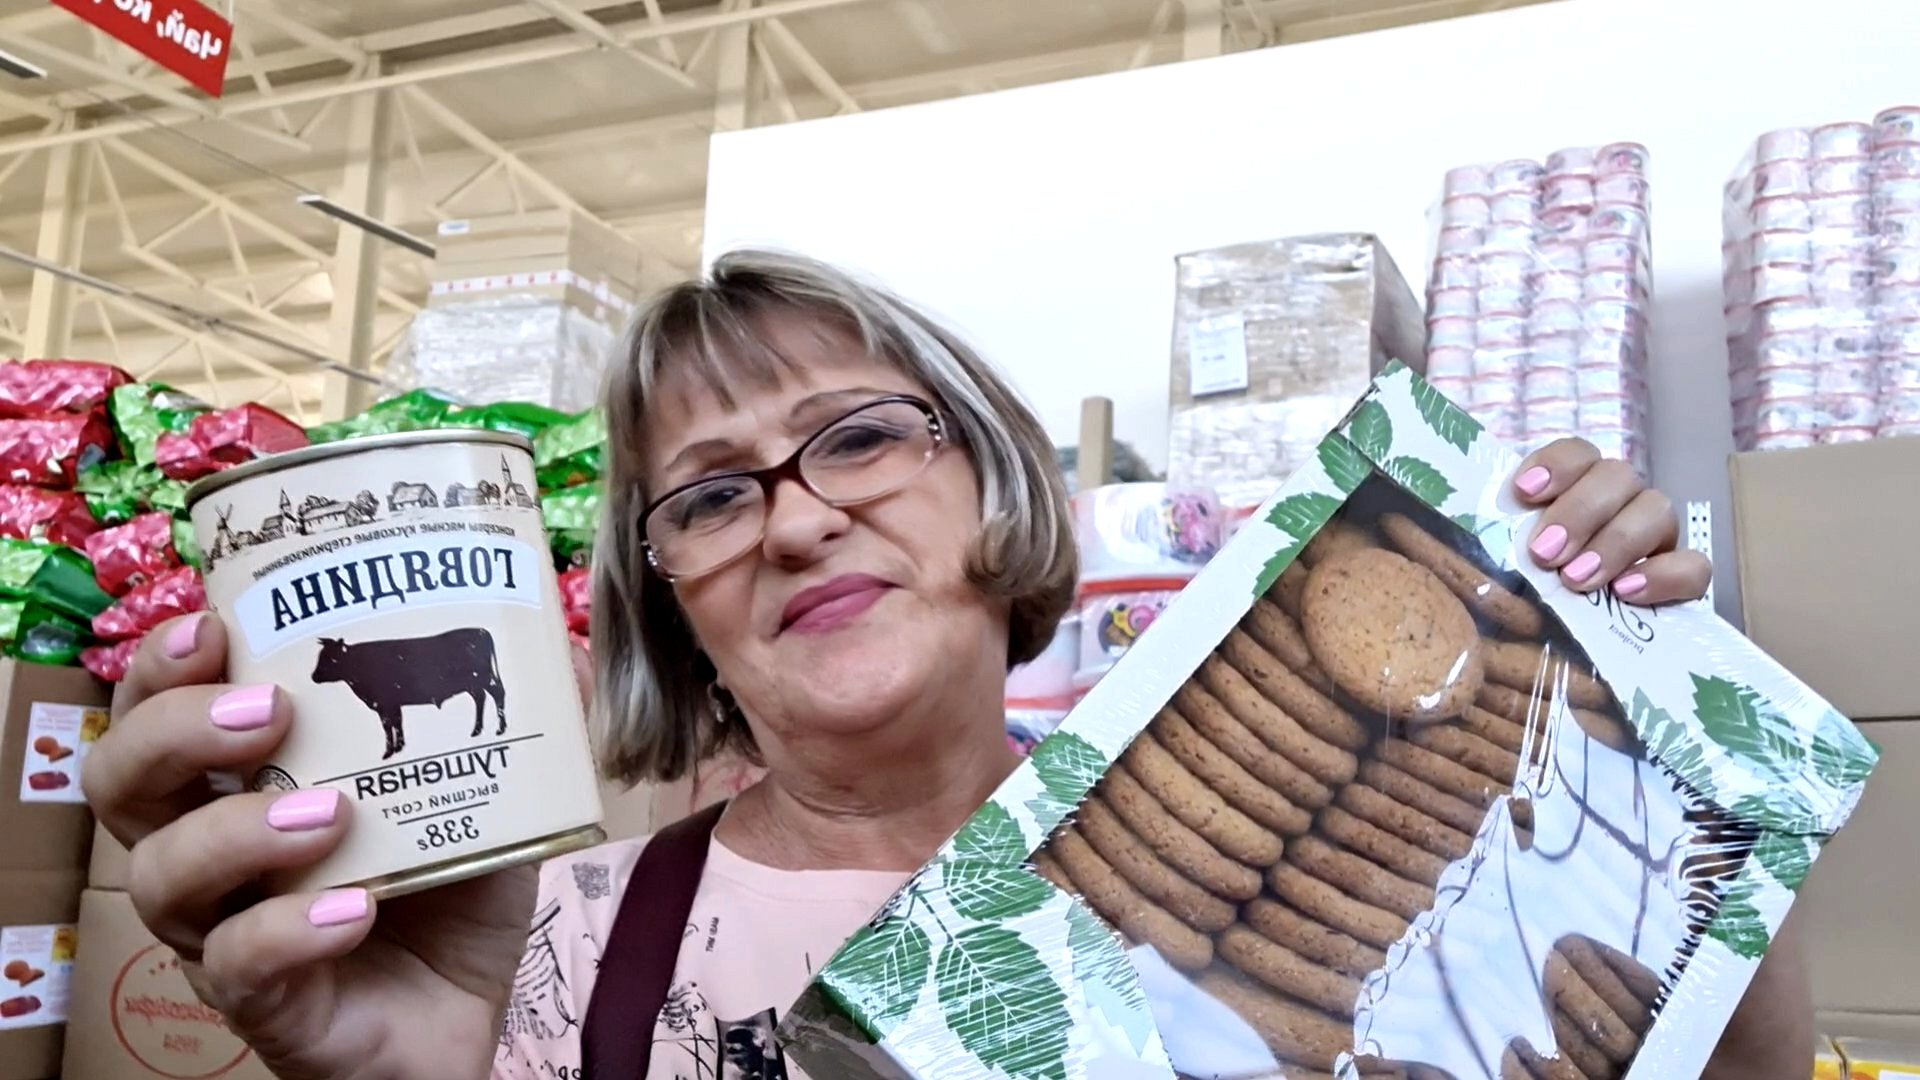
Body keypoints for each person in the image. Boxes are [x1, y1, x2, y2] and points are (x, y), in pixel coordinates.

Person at [84, 251, 1810, 1080]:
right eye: (709, 496)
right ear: (672, 603)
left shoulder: (1346, 848)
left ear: (994, 487)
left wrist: (1664, 717)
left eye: (856, 437)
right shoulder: (547, 950)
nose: (794, 519)